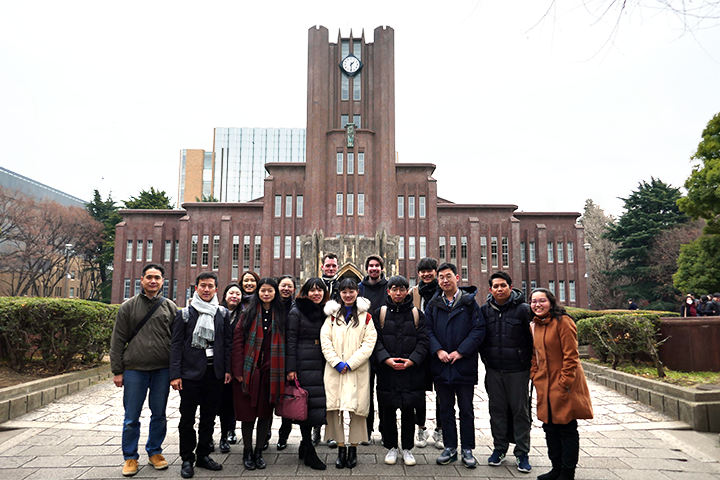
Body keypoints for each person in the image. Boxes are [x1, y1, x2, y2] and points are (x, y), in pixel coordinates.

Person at [110, 263, 178, 477]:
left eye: (157, 278)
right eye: (149, 277)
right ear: (142, 279)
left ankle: (155, 452)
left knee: (159, 414)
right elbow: (118, 340)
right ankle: (130, 457)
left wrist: (176, 372)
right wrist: (117, 370)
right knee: (132, 416)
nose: (153, 281)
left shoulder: (170, 307)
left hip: (162, 370)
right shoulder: (128, 307)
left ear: (162, 282)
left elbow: (177, 341)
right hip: (134, 370)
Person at [170, 272, 232, 479]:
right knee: (187, 419)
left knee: (209, 418)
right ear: (196, 288)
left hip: (214, 374)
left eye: (210, 286)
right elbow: (176, 345)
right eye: (203, 286)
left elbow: (227, 344)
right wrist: (175, 375)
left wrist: (227, 370)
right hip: (190, 375)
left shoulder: (222, 313)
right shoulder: (185, 314)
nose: (206, 290)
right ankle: (187, 458)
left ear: (216, 289)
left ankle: (203, 454)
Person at [425, 262, 485, 468]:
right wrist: (439, 350)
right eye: (440, 277)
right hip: (442, 365)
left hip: (463, 365)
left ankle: (467, 448)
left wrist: (461, 352)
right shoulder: (433, 304)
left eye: (448, 276)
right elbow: (427, 331)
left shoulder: (469, 303)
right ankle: (450, 447)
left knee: (466, 409)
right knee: (446, 409)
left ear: (457, 278)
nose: (444, 280)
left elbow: (478, 330)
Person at [530, 288, 594, 480]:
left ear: (551, 302)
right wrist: (535, 374)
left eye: (542, 300)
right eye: (533, 301)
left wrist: (564, 381)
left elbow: (571, 355)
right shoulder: (535, 325)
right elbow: (535, 354)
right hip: (545, 384)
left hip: (564, 383)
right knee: (549, 427)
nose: (537, 305)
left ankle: (567, 472)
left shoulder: (563, 322)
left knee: (566, 427)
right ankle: (555, 468)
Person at [321, 278, 378, 469]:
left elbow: (369, 344)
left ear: (357, 293)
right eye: (344, 291)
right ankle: (340, 448)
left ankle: (353, 448)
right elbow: (325, 341)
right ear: (339, 294)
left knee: (357, 410)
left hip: (357, 370)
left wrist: (351, 363)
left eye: (351, 291)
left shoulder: (366, 317)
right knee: (335, 409)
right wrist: (337, 362)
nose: (348, 295)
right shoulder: (331, 316)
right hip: (335, 369)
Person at [479, 272, 533, 473]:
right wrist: (486, 359)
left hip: (518, 371)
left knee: (521, 412)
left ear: (511, 286)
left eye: (503, 285)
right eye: (495, 286)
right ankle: (499, 449)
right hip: (494, 369)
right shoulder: (485, 310)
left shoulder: (524, 310)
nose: (499, 289)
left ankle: (522, 453)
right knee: (497, 411)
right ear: (490, 289)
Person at [373, 275, 428, 467]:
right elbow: (374, 341)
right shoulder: (379, 313)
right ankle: (391, 447)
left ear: (408, 291)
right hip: (387, 371)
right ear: (388, 291)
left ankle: (407, 448)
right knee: (387, 411)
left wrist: (412, 360)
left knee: (408, 411)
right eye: (394, 289)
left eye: (402, 289)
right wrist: (385, 359)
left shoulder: (417, 314)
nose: (398, 293)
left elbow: (424, 341)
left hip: (410, 372)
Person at [231, 278, 286, 471]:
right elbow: (238, 341)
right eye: (263, 290)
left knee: (264, 413)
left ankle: (259, 451)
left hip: (271, 373)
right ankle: (247, 450)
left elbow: (285, 344)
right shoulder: (249, 313)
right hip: (248, 372)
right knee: (247, 414)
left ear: (275, 293)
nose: (266, 294)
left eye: (270, 291)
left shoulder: (280, 314)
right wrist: (238, 370)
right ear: (258, 292)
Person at [285, 278, 330, 470]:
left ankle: (304, 446)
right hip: (303, 362)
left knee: (316, 404)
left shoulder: (326, 312)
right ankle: (309, 450)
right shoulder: (297, 311)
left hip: (321, 361)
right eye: (312, 290)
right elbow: (291, 341)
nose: (316, 293)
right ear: (305, 292)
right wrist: (291, 368)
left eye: (319, 290)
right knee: (306, 405)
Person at [409, 257, 442, 449]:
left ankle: (440, 429)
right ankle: (420, 428)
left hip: (439, 349)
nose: (426, 274)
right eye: (423, 271)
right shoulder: (414, 293)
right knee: (418, 393)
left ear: (435, 271)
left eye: (430, 270)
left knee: (442, 393)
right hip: (420, 350)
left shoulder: (443, 292)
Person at [358, 254, 388, 444]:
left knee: (384, 391)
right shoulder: (359, 289)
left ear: (382, 268)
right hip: (364, 347)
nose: (374, 269)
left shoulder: (389, 288)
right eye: (371, 266)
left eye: (377, 266)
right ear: (366, 268)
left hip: (385, 346)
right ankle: (366, 430)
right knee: (365, 391)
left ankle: (385, 430)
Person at [216, 283, 243, 454]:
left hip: (236, 363)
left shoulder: (245, 315)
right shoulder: (216, 312)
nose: (234, 296)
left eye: (238, 293)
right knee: (213, 402)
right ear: (225, 295)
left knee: (229, 403)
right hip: (218, 363)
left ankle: (225, 435)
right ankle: (210, 435)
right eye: (231, 292)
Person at [274, 275, 297, 450]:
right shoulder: (270, 306)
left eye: (290, 286)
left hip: (289, 356)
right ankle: (265, 433)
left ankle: (284, 434)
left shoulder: (296, 307)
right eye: (283, 285)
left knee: (288, 397)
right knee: (269, 398)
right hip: (273, 357)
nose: (286, 289)